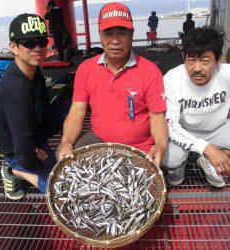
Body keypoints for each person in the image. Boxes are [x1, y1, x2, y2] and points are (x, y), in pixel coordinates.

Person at [56, 2, 168, 167]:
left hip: (140, 146)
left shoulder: (150, 71)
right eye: (108, 33)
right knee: (64, 158)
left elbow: (157, 118)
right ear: (100, 35)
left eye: (122, 33)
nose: (115, 40)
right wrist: (66, 142)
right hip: (98, 139)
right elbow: (77, 111)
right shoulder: (85, 69)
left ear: (132, 34)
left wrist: (160, 146)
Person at [0, 13, 70, 200]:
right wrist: (35, 161)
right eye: (29, 43)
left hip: (33, 130)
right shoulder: (16, 89)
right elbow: (23, 148)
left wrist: (65, 140)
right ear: (14, 47)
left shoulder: (34, 70)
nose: (37, 48)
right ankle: (14, 170)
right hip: (16, 150)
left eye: (41, 41)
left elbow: (44, 106)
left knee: (74, 105)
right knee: (59, 189)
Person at [162, 27, 230, 188]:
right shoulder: (172, 79)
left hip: (218, 129)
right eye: (191, 60)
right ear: (183, 57)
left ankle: (208, 161)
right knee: (170, 161)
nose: (197, 68)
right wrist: (206, 148)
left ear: (218, 60)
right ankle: (178, 172)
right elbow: (170, 125)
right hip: (184, 131)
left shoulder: (226, 73)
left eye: (205, 61)